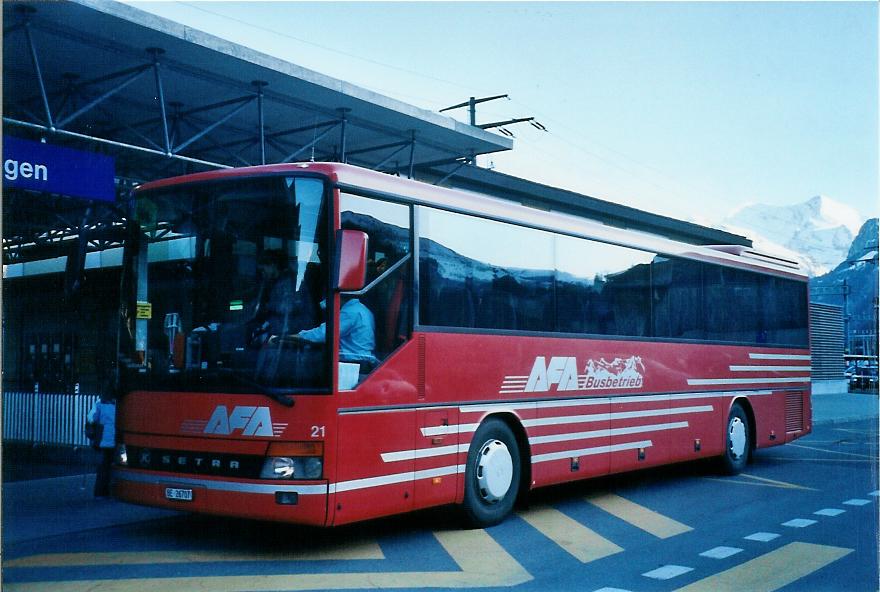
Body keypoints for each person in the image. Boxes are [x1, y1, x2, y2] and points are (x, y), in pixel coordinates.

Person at [296, 297, 377, 366]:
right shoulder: (362, 309)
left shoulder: (350, 312)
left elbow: (323, 334)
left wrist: (297, 336)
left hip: (353, 361)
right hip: (360, 359)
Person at [87, 393, 116, 498]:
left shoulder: (100, 404)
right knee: (111, 467)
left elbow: (92, 418)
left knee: (103, 467)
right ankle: (108, 491)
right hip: (114, 439)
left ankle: (99, 492)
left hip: (103, 440)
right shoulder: (118, 404)